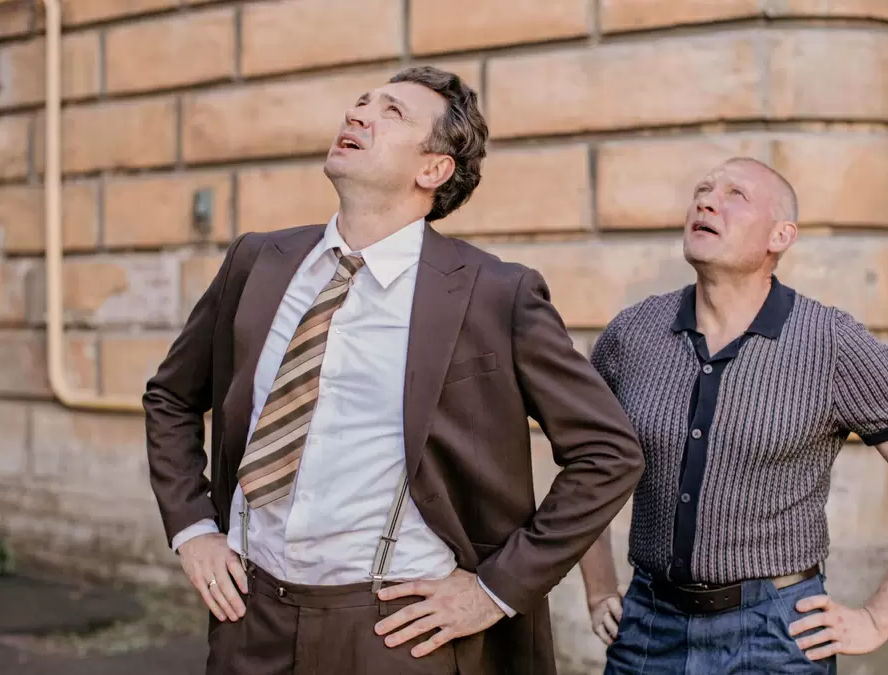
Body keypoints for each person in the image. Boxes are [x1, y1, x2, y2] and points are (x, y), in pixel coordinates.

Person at [143, 65, 644, 675]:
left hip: (398, 632)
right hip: (249, 617)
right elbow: (171, 397)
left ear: (433, 170)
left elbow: (608, 453)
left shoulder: (494, 292)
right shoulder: (258, 261)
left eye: (392, 112)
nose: (358, 114)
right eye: (362, 102)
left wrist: (494, 590)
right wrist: (192, 528)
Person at [577, 157, 888, 673]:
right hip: (648, 627)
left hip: (775, 634)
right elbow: (586, 464)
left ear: (780, 236)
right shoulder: (631, 334)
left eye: (735, 195)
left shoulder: (832, 343)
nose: (706, 202)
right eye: (703, 190)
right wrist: (598, 589)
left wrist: (878, 619)